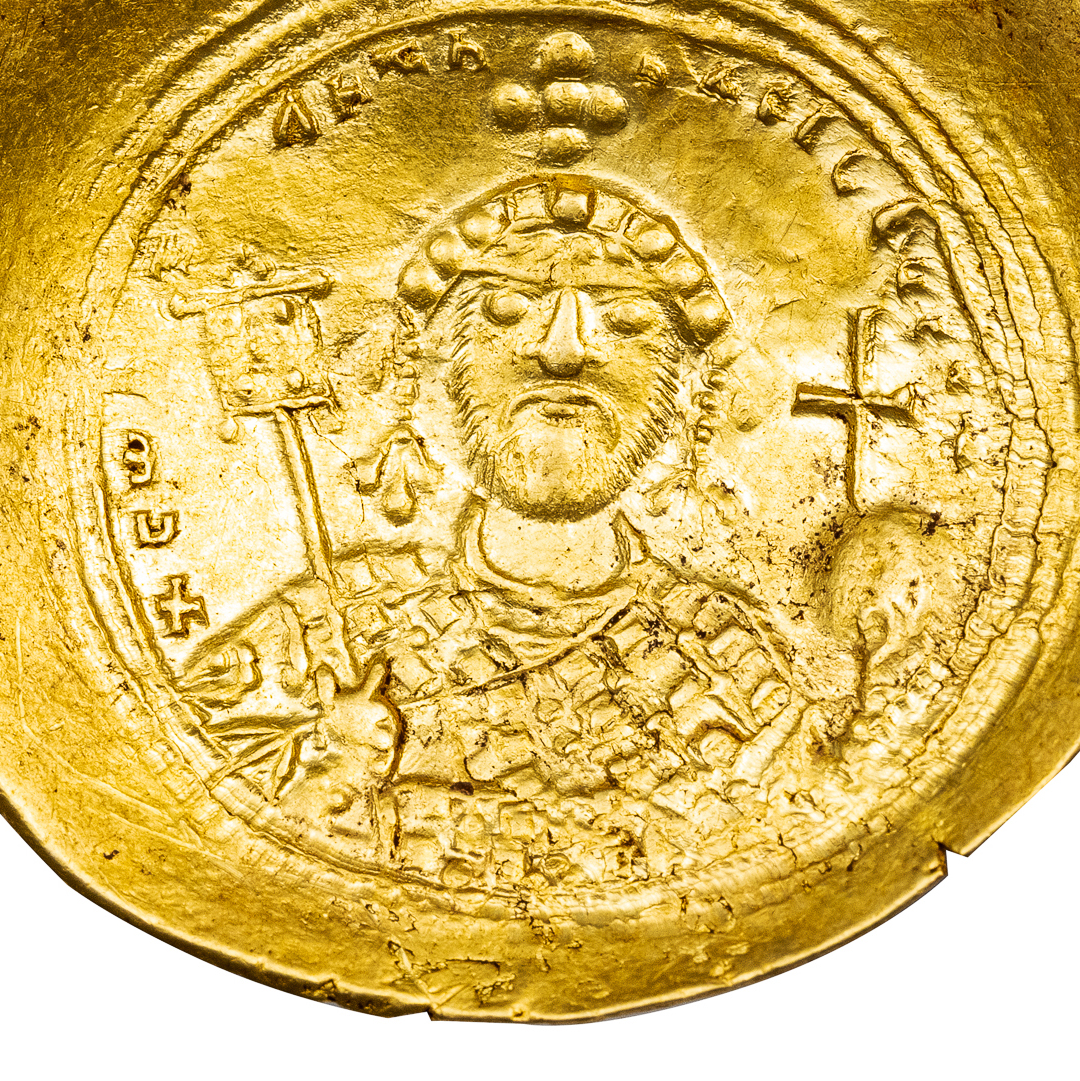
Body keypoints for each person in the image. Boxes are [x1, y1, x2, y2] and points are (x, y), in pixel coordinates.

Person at [179, 175, 859, 890]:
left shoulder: (731, 657)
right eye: (507, 309)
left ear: (687, 385)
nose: (563, 351)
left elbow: (780, 829)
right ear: (436, 370)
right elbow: (212, 838)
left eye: (626, 321)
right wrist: (340, 761)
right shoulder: (320, 632)